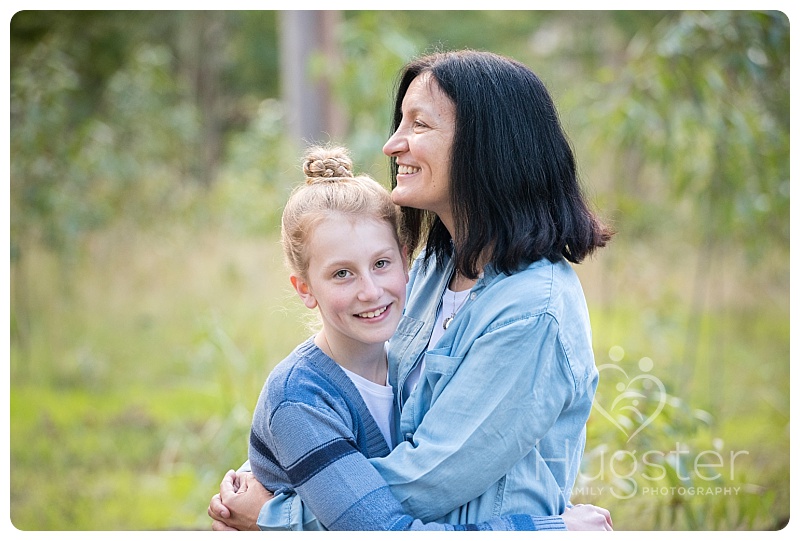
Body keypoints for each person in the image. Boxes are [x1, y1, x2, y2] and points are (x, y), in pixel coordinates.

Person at [209, 49, 613, 530]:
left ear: (486, 146)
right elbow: (366, 407)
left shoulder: (531, 312)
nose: (392, 144)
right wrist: (283, 463)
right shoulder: (429, 271)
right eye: (400, 122)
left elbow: (423, 483)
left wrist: (276, 515)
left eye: (418, 125)